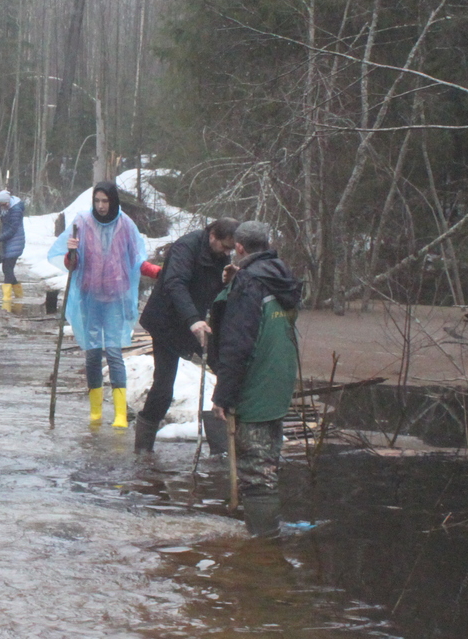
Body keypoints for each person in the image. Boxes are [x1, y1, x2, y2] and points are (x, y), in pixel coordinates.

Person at [207, 220, 303, 537]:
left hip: (256, 384)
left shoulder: (248, 285)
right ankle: (267, 537)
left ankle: (264, 547)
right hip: (280, 379)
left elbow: (238, 345)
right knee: (269, 461)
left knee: (255, 469)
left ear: (239, 248)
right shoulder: (282, 276)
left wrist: (223, 395)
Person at [134, 217, 239, 456]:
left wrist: (232, 283)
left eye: (230, 249)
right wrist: (193, 319)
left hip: (196, 320)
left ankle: (221, 448)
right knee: (163, 387)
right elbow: (175, 283)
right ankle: (143, 449)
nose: (226, 252)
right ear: (213, 235)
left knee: (224, 370)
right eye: (224, 246)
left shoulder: (221, 255)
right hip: (167, 321)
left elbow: (214, 289)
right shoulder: (186, 247)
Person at [48, 182, 146, 429]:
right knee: (92, 354)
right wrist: (71, 252)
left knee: (113, 352)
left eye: (106, 201)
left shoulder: (125, 224)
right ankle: (95, 411)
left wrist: (158, 272)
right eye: (97, 201)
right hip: (89, 297)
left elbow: (136, 258)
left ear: (113, 201)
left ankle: (120, 414)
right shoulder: (81, 222)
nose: (101, 206)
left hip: (114, 297)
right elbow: (71, 264)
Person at [0, 189, 26, 308]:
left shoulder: (16, 210)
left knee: (7, 269)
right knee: (8, 269)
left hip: (15, 242)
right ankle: (19, 296)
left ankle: (6, 300)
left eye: (3, 205)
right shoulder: (6, 207)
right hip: (9, 242)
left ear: (8, 203)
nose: (2, 207)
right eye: (1, 205)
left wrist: (0, 238)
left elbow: (12, 230)